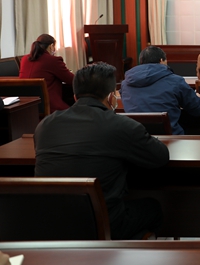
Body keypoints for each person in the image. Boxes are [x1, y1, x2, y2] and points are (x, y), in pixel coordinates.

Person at [34, 62, 169, 240]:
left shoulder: (45, 125)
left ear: (75, 97)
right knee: (153, 207)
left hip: (49, 223)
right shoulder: (122, 126)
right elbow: (160, 157)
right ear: (112, 97)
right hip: (103, 224)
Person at [120, 46, 200, 135]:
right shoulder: (175, 81)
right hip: (171, 138)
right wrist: (197, 98)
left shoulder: (125, 84)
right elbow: (198, 110)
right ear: (161, 60)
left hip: (137, 137)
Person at [19, 33, 75, 112]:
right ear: (51, 46)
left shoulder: (24, 59)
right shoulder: (53, 60)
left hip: (27, 107)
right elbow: (71, 80)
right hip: (50, 106)